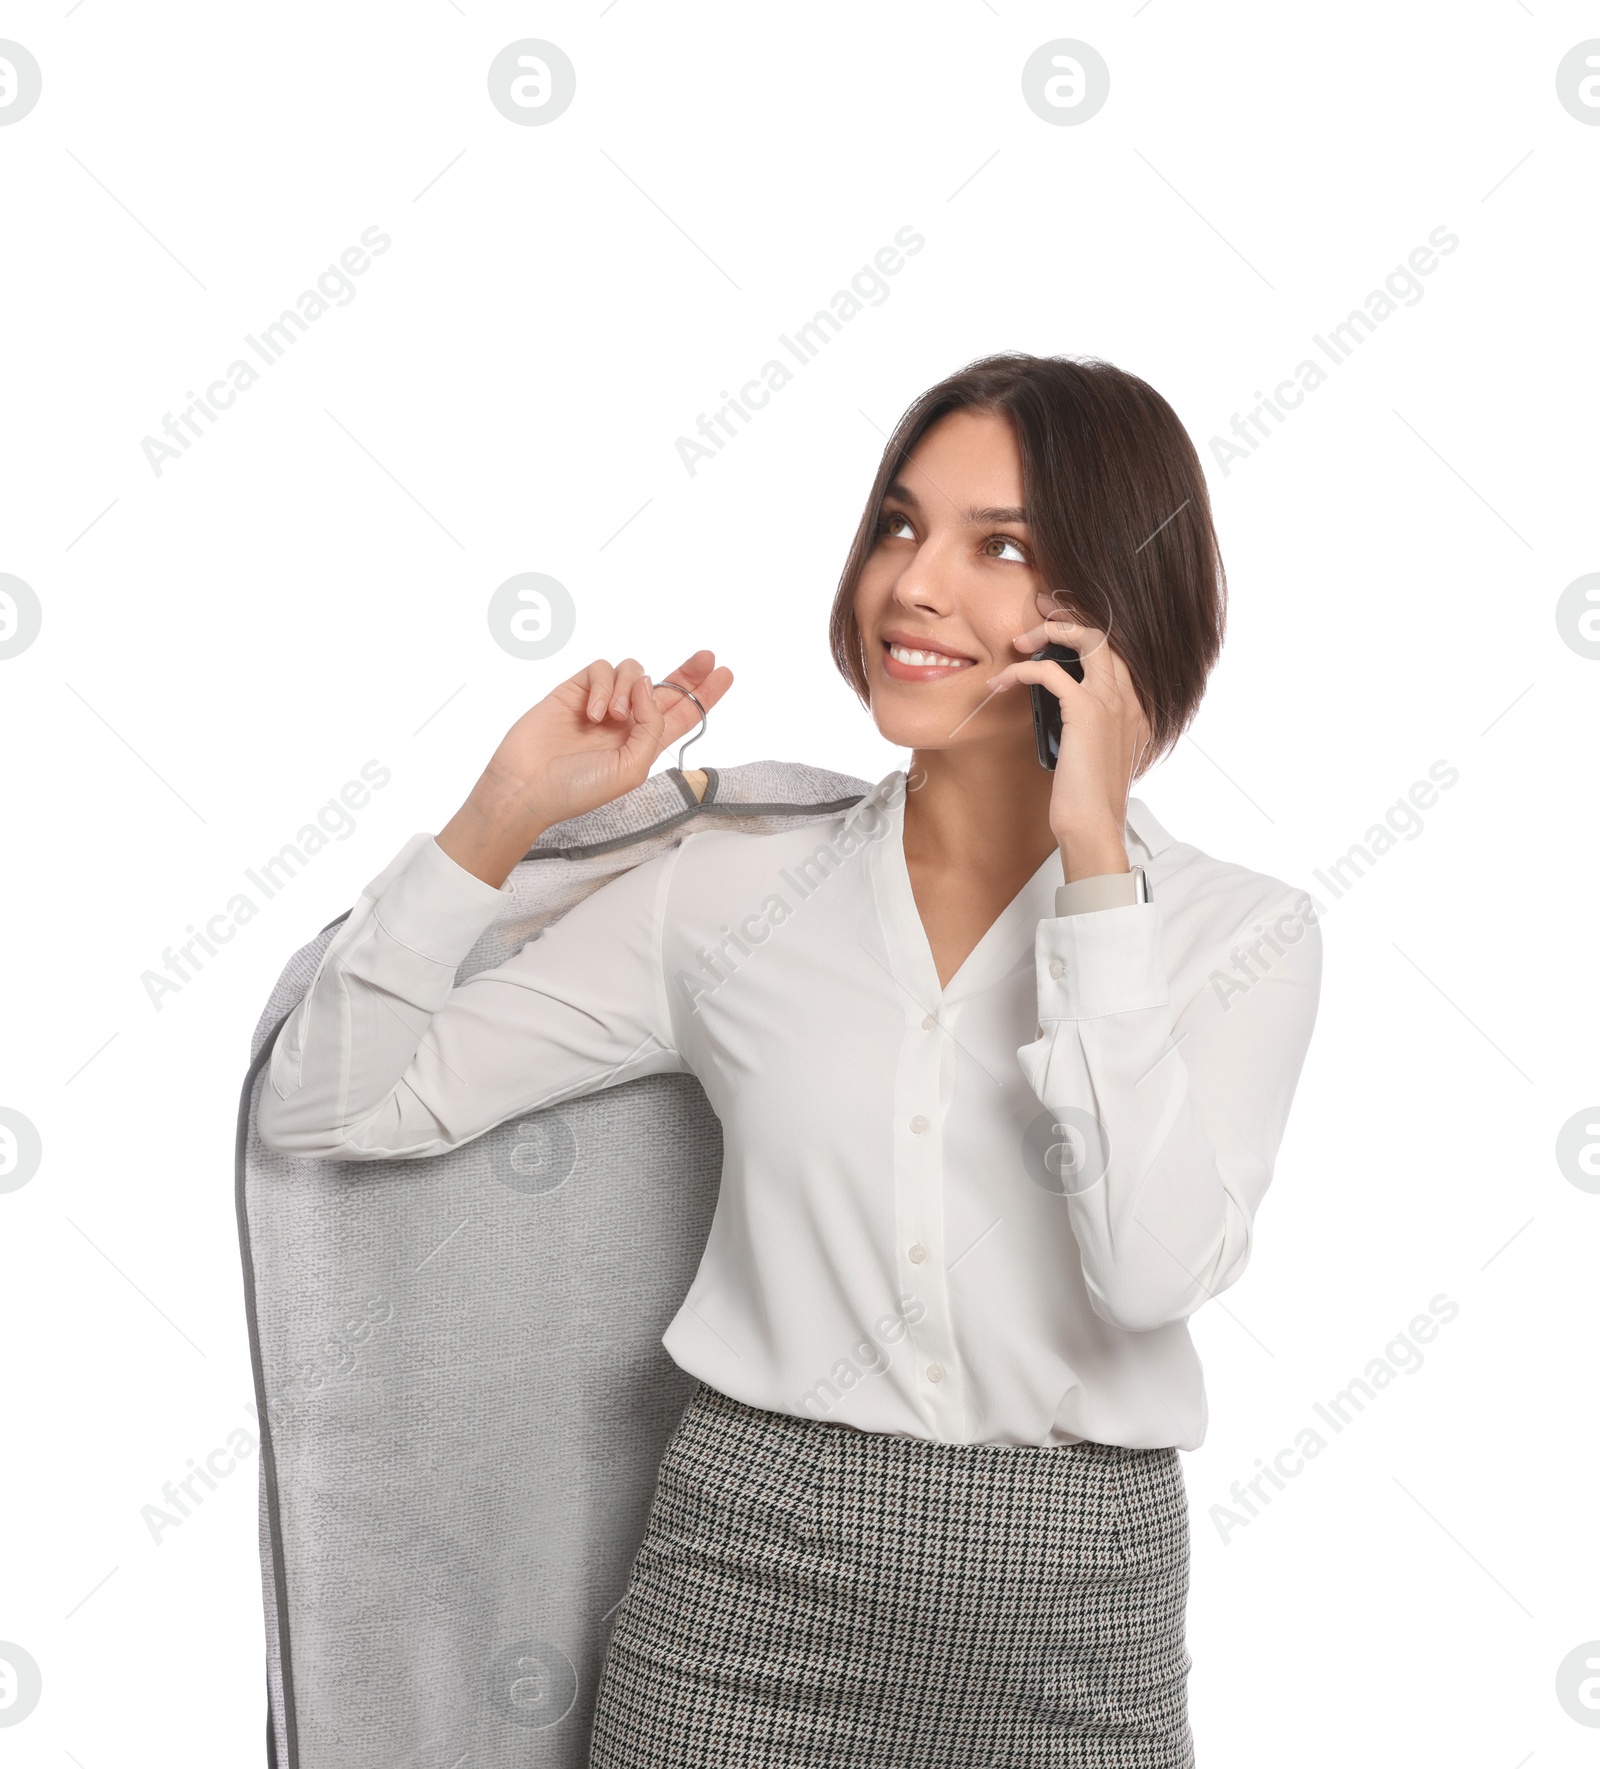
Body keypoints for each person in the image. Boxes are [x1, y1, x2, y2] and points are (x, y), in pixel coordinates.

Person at [258, 352, 1321, 1766]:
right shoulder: (725, 892)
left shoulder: (1237, 930)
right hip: (750, 1593)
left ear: (1119, 607)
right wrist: (506, 808)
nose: (913, 584)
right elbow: (337, 1101)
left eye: (998, 545)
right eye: (898, 523)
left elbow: (1147, 1273)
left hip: (1081, 1617)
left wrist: (1096, 870)